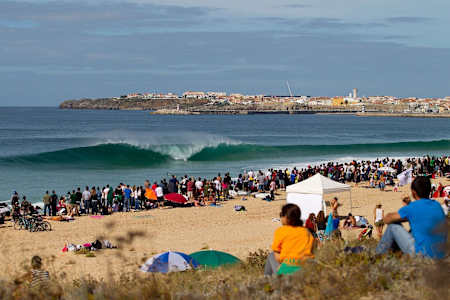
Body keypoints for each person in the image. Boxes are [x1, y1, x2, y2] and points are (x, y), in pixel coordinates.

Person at [375, 176, 447, 259]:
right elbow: (421, 216)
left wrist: (407, 207)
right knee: (415, 229)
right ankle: (396, 256)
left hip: (422, 254)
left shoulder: (413, 207)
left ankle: (377, 256)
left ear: (413, 192)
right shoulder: (437, 206)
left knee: (393, 227)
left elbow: (387, 219)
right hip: (440, 254)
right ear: (430, 190)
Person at [264, 204, 314, 276]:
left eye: (281, 215)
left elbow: (278, 257)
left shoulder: (281, 231)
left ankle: (266, 281)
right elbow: (312, 250)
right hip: (307, 268)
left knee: (271, 256)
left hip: (288, 270)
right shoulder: (306, 232)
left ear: (286, 217)